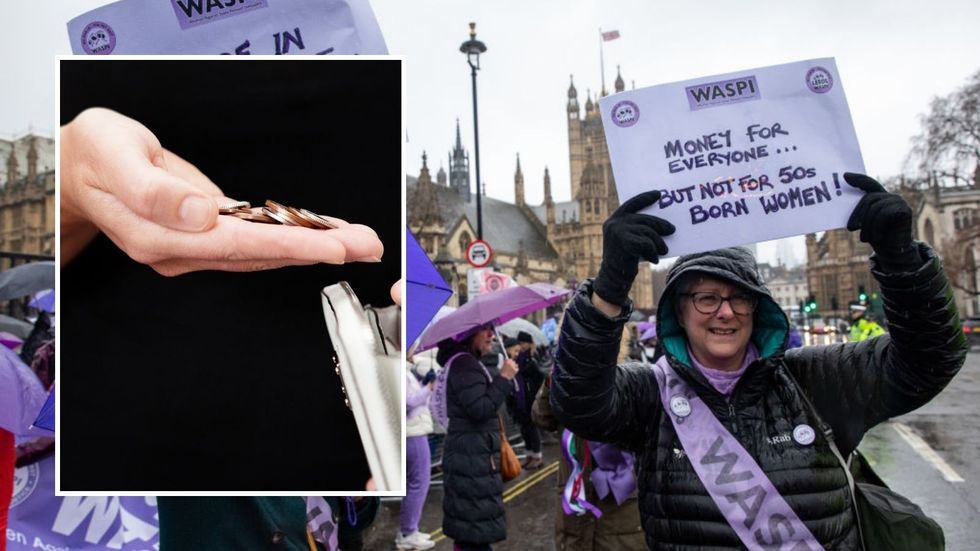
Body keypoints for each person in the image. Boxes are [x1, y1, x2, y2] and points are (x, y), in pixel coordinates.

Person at [551, 173, 967, 549]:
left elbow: (929, 359)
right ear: (679, 310)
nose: (725, 312)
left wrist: (902, 262)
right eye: (707, 298)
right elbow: (577, 402)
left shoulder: (813, 378)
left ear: (759, 307)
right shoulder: (650, 394)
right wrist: (608, 290)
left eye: (740, 298)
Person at [533, 338, 645, 551]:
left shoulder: (633, 376)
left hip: (620, 518)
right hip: (575, 514)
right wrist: (551, 383)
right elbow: (542, 418)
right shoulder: (564, 380)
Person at [435, 326, 519, 551]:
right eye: (485, 330)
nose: (491, 334)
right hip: (472, 459)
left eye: (491, 329)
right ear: (468, 334)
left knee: (470, 535)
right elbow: (480, 409)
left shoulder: (466, 363)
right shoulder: (465, 364)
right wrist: (504, 378)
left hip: (471, 455)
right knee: (474, 536)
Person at [396, 358, 437, 550]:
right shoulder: (402, 372)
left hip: (413, 431)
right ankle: (408, 533)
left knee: (415, 483)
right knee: (419, 483)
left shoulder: (405, 371)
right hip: (413, 433)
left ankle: (409, 529)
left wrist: (424, 385)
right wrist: (428, 387)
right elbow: (409, 402)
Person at [508, 331, 546, 470]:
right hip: (520, 401)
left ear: (530, 344)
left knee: (531, 429)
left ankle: (537, 456)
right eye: (520, 343)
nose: (522, 345)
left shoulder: (532, 359)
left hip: (530, 400)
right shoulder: (517, 359)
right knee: (524, 429)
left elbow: (540, 378)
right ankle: (529, 454)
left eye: (524, 342)